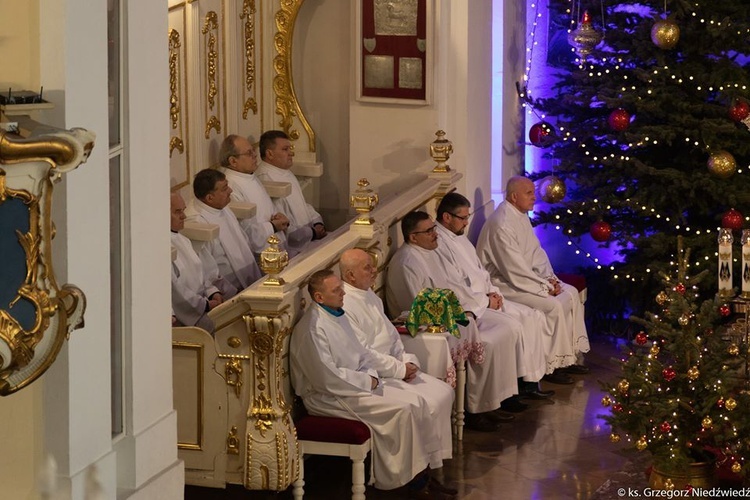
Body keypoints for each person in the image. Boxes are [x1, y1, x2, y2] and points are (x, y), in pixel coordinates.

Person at [290, 270, 456, 499]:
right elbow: (326, 377)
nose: (342, 293)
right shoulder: (312, 328)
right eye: (336, 290)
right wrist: (368, 380)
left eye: (341, 287)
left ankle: (422, 477)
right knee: (403, 411)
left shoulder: (338, 314)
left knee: (417, 402)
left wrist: (378, 374)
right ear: (319, 297)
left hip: (357, 385)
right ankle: (401, 483)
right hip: (328, 397)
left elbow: (363, 352)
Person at [386, 211, 522, 432]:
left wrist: (472, 307)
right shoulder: (406, 262)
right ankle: (477, 408)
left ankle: (496, 401)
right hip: (426, 327)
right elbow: (415, 303)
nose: (435, 234)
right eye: (429, 230)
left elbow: (454, 285)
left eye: (434, 228)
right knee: (488, 342)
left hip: (457, 313)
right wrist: (465, 313)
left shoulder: (431, 251)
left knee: (506, 328)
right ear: (413, 237)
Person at [340, 248, 455, 469]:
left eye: (373, 266)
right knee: (425, 404)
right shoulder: (346, 304)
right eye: (367, 267)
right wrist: (400, 370)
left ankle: (433, 464)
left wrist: (408, 360)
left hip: (396, 366)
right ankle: (416, 474)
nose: (374, 271)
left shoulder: (370, 296)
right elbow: (363, 353)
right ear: (350, 275)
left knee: (444, 392)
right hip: (379, 374)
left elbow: (392, 337)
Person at [435, 192, 555, 398]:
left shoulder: (459, 238)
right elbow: (456, 284)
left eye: (467, 217)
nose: (466, 223)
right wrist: (486, 301)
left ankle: (528, 383)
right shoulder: (440, 244)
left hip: (488, 297)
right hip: (475, 306)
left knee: (531, 316)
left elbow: (481, 271)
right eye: (463, 218)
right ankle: (511, 391)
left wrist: (493, 292)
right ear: (447, 217)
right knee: (517, 323)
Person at [476, 176, 590, 383]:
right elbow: (513, 268)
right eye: (529, 193)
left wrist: (550, 279)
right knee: (553, 306)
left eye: (533, 192)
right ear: (513, 196)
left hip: (526, 278)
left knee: (571, 293)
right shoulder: (501, 224)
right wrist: (544, 288)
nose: (534, 197)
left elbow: (536, 253)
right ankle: (552, 366)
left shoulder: (520, 215)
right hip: (504, 283)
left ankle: (568, 358)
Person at [186, 169, 261, 291]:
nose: (230, 191)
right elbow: (206, 270)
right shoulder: (197, 222)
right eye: (225, 188)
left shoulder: (221, 207)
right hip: (230, 292)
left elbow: (242, 241)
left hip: (247, 280)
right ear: (210, 198)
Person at [170, 191, 236, 332]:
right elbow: (176, 291)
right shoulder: (161, 247)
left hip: (202, 304)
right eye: (177, 212)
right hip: (189, 316)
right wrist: (205, 305)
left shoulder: (181, 238)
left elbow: (201, 272)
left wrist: (212, 292)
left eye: (183, 210)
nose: (184, 216)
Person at [218, 134, 291, 257]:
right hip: (262, 256)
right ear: (233, 161)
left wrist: (280, 217)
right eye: (249, 153)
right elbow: (244, 231)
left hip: (277, 246)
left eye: (253, 150)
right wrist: (273, 226)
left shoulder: (249, 176)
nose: (255, 155)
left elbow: (266, 211)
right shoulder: (231, 186)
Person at [255, 130, 326, 254]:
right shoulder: (266, 179)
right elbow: (284, 221)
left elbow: (303, 205)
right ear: (270, 154)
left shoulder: (284, 171)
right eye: (285, 149)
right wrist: (313, 233)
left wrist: (317, 222)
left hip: (309, 237)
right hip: (295, 248)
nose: (291, 153)